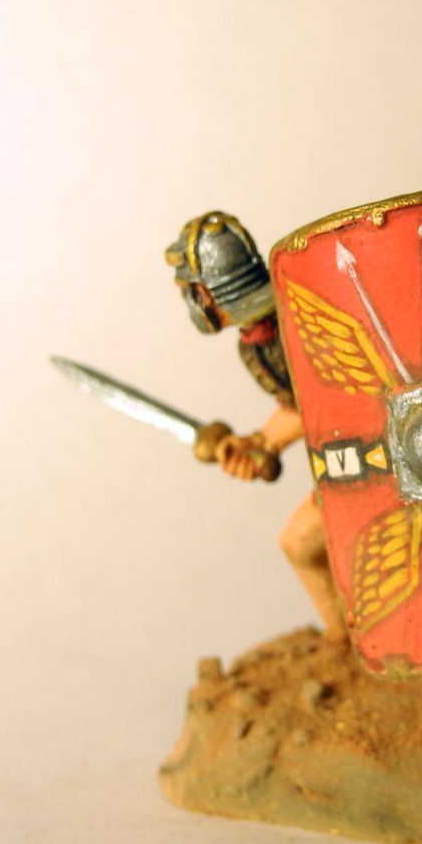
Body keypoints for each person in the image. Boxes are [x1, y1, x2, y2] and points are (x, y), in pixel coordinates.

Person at [165, 212, 346, 639]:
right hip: (348, 461)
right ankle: (346, 643)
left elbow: (341, 401)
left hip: (380, 462)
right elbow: (303, 408)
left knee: (301, 544)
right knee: (300, 545)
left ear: (207, 293)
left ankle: (349, 643)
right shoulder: (257, 344)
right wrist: (261, 444)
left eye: (193, 290)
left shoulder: (302, 319)